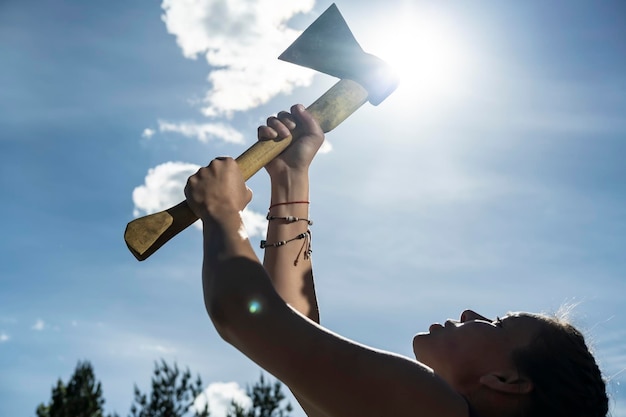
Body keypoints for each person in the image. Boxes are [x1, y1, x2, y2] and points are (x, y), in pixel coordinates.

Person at [184, 104, 609, 417]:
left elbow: (246, 317)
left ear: (507, 382)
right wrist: (291, 178)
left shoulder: (434, 407)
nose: (469, 311)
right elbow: (293, 335)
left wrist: (222, 211)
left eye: (498, 323)